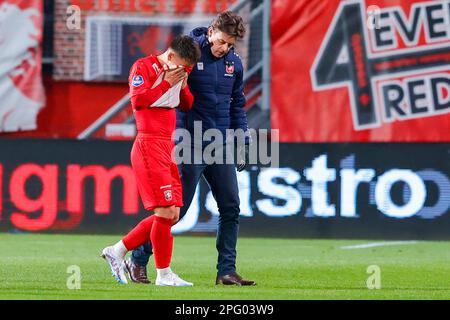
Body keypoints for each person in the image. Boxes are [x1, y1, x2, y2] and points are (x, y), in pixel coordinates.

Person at [125, 11, 256, 286]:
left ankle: (226, 272)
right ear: (210, 32)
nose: (224, 49)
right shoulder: (189, 55)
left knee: (231, 206)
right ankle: (138, 259)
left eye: (230, 45)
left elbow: (237, 105)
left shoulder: (235, 63)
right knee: (176, 211)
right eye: (221, 41)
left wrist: (243, 141)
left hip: (219, 144)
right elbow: (170, 90)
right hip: (189, 142)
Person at [101, 35, 201, 286]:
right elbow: (138, 101)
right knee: (165, 211)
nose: (182, 70)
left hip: (167, 145)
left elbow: (187, 105)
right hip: (148, 144)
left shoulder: (179, 73)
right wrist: (166, 83)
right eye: (182, 65)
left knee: (173, 214)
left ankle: (118, 250)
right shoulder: (143, 67)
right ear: (170, 56)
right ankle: (163, 274)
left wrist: (183, 84)